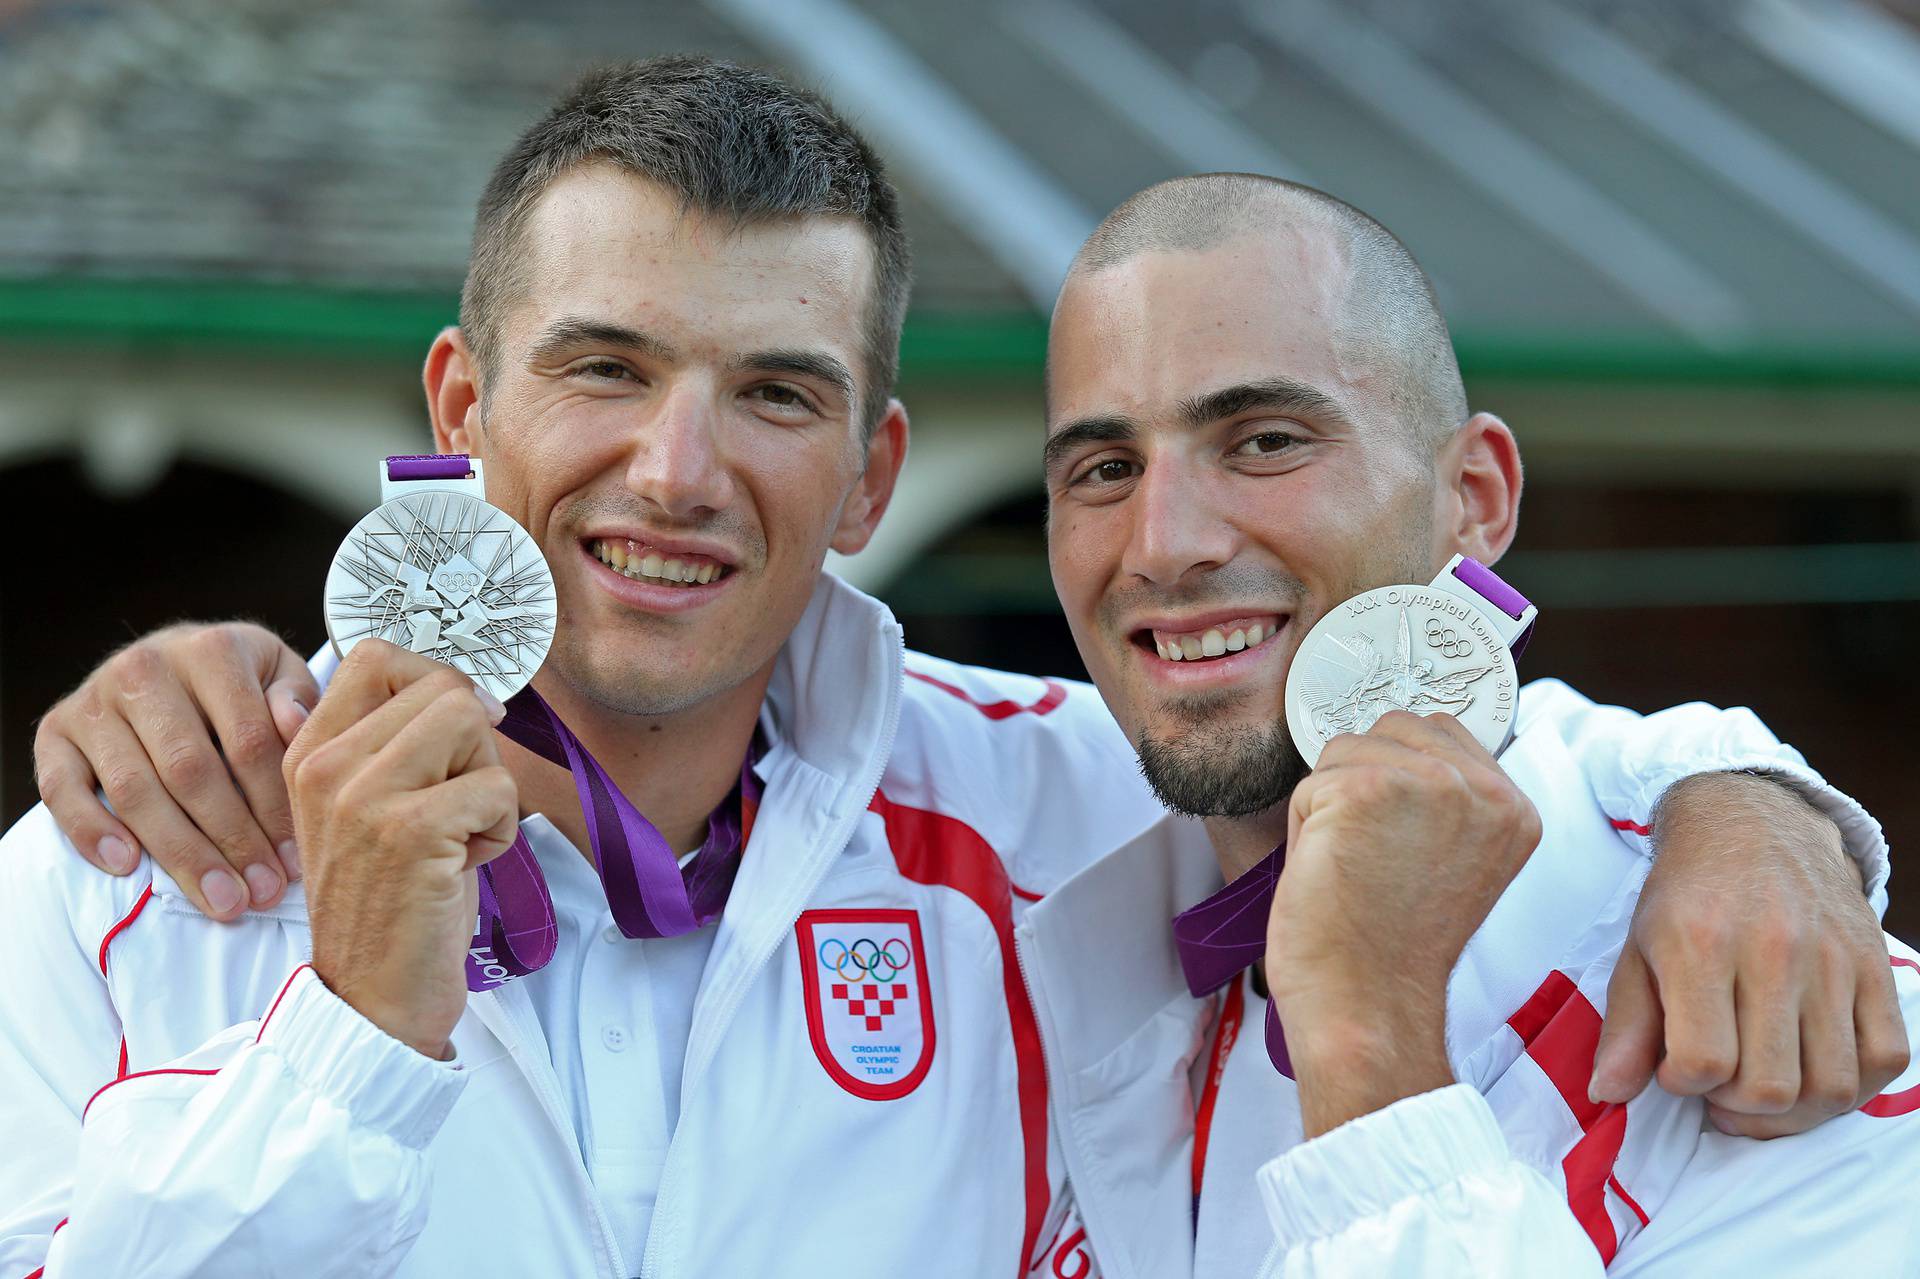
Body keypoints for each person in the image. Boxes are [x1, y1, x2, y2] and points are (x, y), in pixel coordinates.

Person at [0, 66, 1898, 1278]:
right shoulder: (129, 859)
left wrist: (1754, 802)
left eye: (775, 392)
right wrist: (340, 1026)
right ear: (457, 404)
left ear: (874, 475)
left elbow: (1405, 733)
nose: (676, 469)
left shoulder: (1052, 816)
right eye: (604, 369)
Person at [1020, 173, 1920, 1276]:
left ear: (1476, 498)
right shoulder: (1025, 867)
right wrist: (1730, 777)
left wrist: (1369, 1044)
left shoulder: (1796, 1018)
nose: (1163, 543)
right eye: (1105, 470)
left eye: (1264, 442)